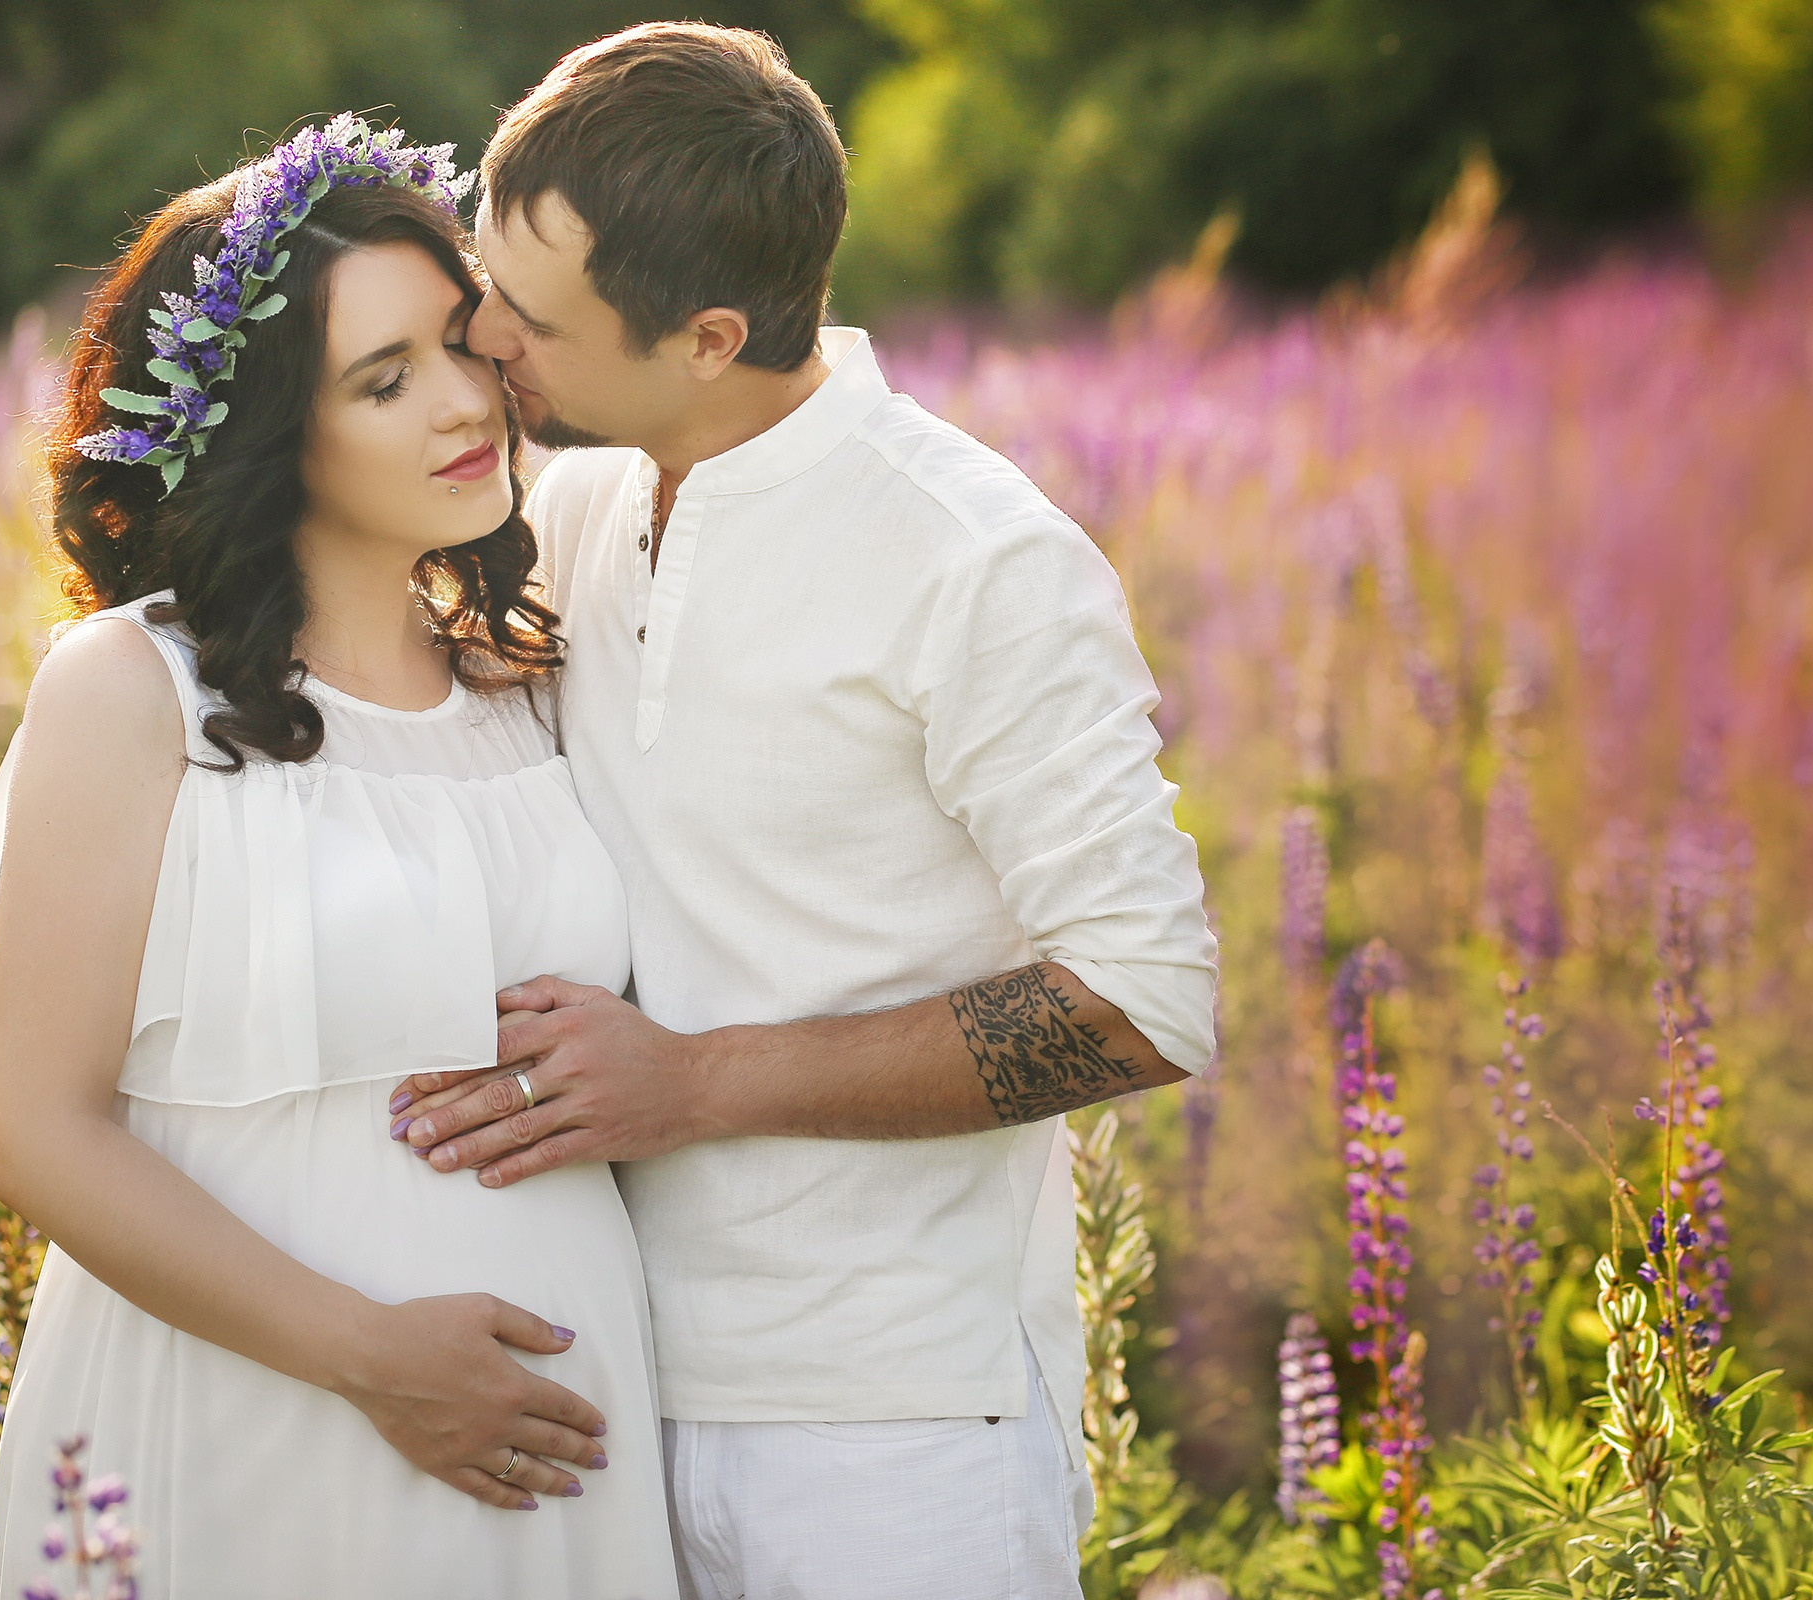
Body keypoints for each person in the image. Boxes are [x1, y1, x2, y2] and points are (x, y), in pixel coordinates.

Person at [389, 26, 1219, 1600]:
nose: (484, 335)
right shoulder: (571, 501)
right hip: (604, 1389)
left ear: (708, 336)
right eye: (487, 277)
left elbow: (1146, 997)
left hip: (897, 1431)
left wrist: (699, 1085)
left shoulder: (975, 562)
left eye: (534, 316)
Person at [0, 117, 674, 1596]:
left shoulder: (529, 676)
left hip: (559, 1442)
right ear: (275, 432)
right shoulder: (130, 691)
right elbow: (29, 1125)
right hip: (255, 1409)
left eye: (464, 346)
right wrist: (373, 1358)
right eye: (385, 379)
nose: (470, 403)